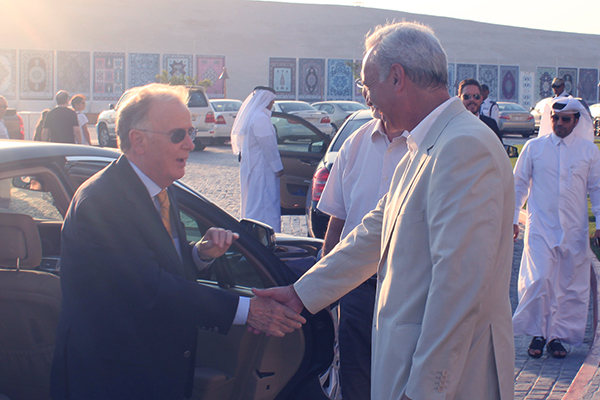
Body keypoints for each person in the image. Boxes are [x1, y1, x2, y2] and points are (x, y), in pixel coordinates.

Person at [253, 21, 515, 400]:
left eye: (367, 84)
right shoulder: (425, 144)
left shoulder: (463, 148)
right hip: (407, 366)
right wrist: (301, 294)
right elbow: (373, 233)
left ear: (397, 77)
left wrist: (425, 392)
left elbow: (459, 287)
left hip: (448, 382)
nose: (366, 97)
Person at [50, 84, 305, 400]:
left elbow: (155, 263)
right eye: (177, 135)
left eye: (191, 131)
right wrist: (248, 310)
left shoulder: (162, 188)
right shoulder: (102, 201)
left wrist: (200, 254)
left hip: (155, 373)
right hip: (112, 379)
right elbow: (148, 287)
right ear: (138, 140)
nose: (190, 143)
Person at [317, 87, 408, 399]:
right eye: (364, 90)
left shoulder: (427, 146)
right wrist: (325, 284)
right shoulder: (355, 143)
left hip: (406, 293)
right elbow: (338, 219)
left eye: (373, 88)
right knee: (356, 381)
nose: (368, 97)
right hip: (356, 291)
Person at [512, 97, 600, 359]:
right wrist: (512, 219)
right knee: (539, 280)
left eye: (565, 119)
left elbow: (596, 189)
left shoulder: (589, 151)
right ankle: (538, 333)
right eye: (555, 118)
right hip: (540, 228)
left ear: (576, 120)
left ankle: (557, 337)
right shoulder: (534, 147)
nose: (559, 123)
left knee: (568, 284)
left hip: (574, 231)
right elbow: (518, 185)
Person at [230, 86, 283, 232]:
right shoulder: (260, 118)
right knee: (264, 204)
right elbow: (269, 146)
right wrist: (278, 167)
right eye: (271, 100)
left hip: (255, 168)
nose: (272, 103)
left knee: (254, 202)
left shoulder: (254, 115)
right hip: (262, 170)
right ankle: (267, 234)